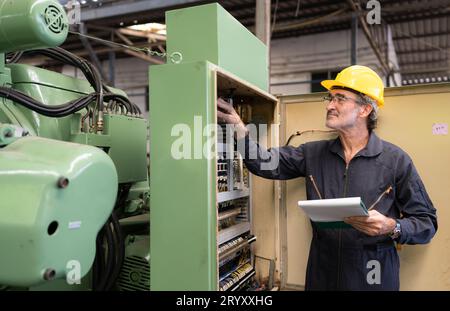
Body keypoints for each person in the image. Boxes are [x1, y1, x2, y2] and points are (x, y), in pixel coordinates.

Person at [217, 65, 437, 290]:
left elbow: (426, 222)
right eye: (330, 98)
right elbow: (263, 162)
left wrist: (393, 226)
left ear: (364, 110)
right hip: (323, 276)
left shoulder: (395, 160)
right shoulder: (312, 153)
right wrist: (239, 130)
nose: (330, 105)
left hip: (373, 277)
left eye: (340, 99)